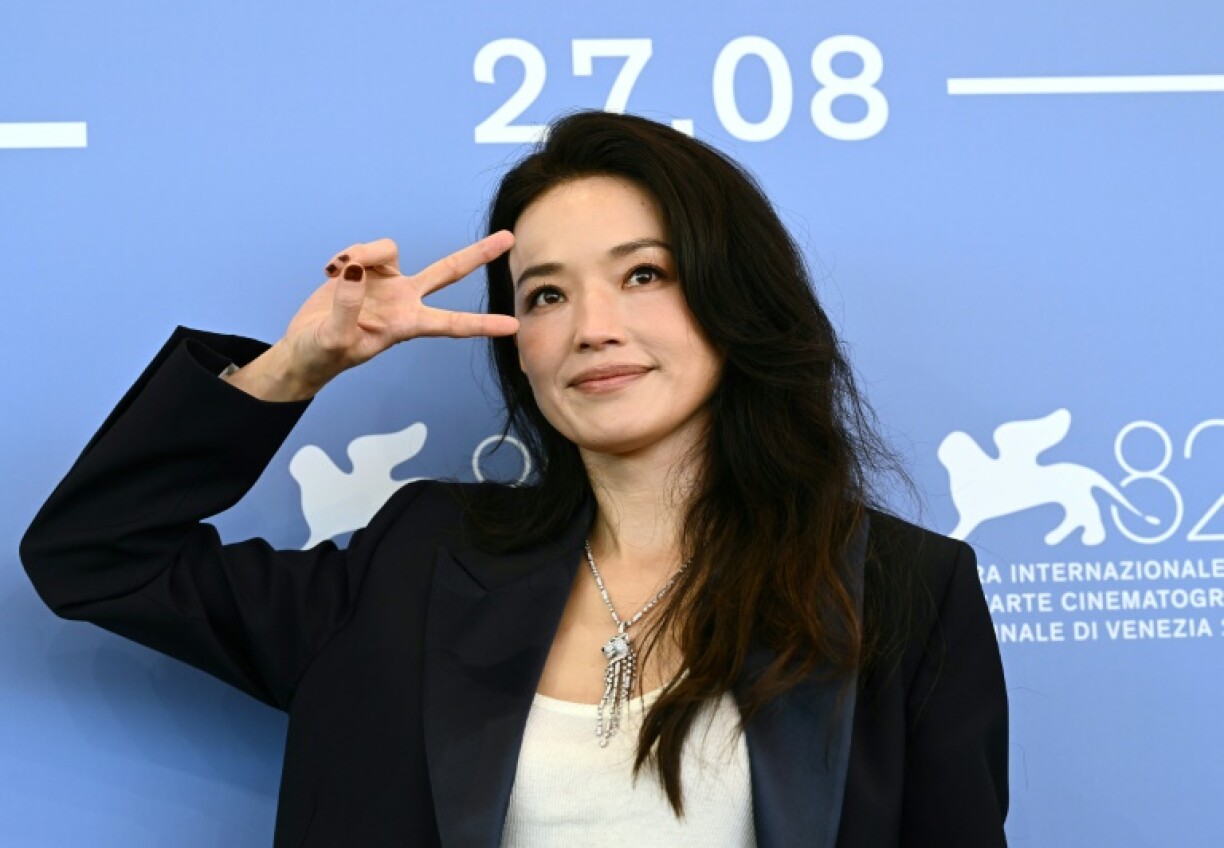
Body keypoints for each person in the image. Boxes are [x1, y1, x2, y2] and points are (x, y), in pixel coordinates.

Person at [21, 110, 1008, 847]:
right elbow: (96, 555)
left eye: (644, 274)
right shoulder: (416, 560)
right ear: (517, 348)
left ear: (736, 301)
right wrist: (295, 366)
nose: (592, 327)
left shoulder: (907, 593)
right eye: (545, 293)